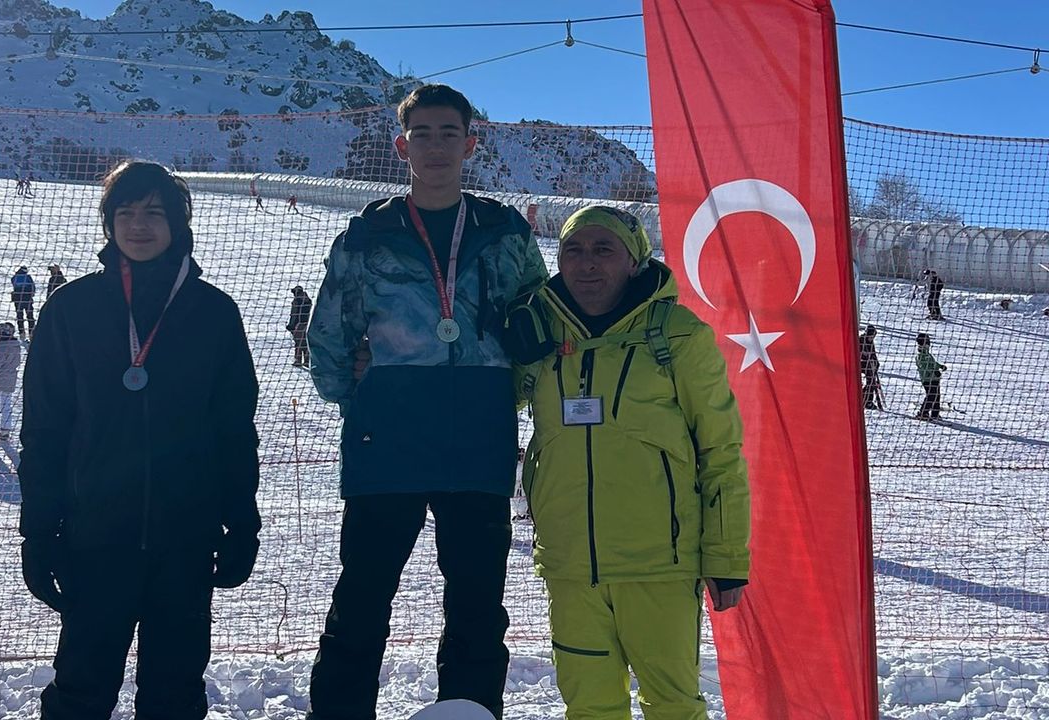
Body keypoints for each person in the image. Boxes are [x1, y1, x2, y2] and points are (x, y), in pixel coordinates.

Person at [305, 83, 548, 720]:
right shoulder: (368, 235)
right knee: (362, 600)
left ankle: (468, 712)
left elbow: (538, 323)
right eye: (422, 134)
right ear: (401, 146)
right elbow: (329, 333)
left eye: (449, 133)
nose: (435, 146)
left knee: (477, 607)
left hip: (479, 442)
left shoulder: (505, 232)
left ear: (471, 144)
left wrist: (512, 396)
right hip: (388, 443)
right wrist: (360, 397)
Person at [18, 160, 261, 720]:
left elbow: (234, 430)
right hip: (95, 538)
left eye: (154, 212)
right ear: (109, 224)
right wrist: (39, 533)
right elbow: (45, 432)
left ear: (178, 222)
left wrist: (242, 523)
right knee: (80, 689)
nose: (138, 225)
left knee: (174, 693)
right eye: (125, 212)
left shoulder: (214, 312)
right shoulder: (71, 309)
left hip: (186, 539)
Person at [506, 205, 750, 720]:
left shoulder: (677, 336)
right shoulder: (541, 333)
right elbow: (496, 400)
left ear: (634, 261)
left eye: (604, 249)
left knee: (674, 706)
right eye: (573, 250)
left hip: (658, 564)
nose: (587, 263)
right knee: (588, 707)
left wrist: (726, 559)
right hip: (571, 565)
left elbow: (721, 451)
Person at [915, 332, 946, 420]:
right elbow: (924, 367)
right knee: (931, 395)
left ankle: (935, 413)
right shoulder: (920, 356)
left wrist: (940, 366)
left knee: (937, 396)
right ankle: (923, 413)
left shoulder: (928, 355)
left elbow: (933, 363)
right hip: (927, 379)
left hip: (935, 379)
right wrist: (934, 371)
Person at [287, 285, 313, 367]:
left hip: (298, 325)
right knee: (305, 343)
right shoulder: (308, 301)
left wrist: (291, 325)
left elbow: (294, 314)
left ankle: (298, 360)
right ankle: (306, 361)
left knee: (298, 343)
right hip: (307, 324)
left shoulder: (297, 301)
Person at [859, 324, 883, 410]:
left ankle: (867, 399)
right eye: (871, 336)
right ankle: (865, 398)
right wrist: (864, 355)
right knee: (870, 381)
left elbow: (873, 353)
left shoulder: (870, 342)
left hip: (868, 364)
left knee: (871, 381)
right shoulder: (860, 340)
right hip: (860, 364)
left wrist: (876, 364)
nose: (872, 338)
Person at [11, 266, 36, 338]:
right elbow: (33, 286)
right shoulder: (28, 277)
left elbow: (14, 284)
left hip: (18, 299)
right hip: (27, 298)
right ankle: (31, 332)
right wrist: (32, 293)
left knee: (19, 316)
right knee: (30, 316)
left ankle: (21, 332)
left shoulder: (14, 277)